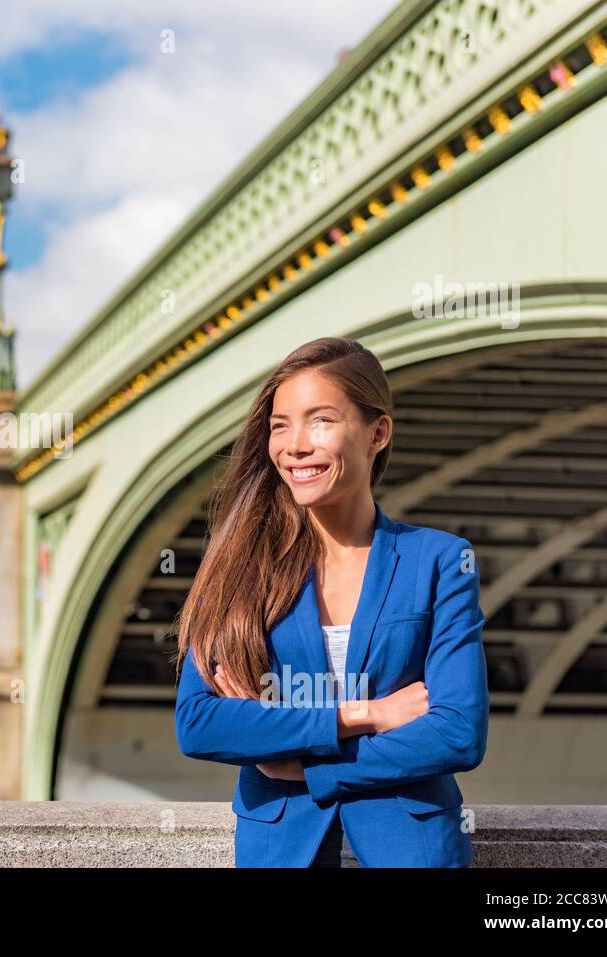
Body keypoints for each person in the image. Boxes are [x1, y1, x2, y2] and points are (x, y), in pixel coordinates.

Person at [173, 337, 489, 867]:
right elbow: (200, 721)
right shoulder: (237, 569)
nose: (294, 444)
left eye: (320, 420)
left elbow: (458, 732)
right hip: (280, 851)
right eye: (280, 425)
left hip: (412, 852)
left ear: (378, 433)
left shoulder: (439, 560)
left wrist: (304, 765)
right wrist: (362, 715)